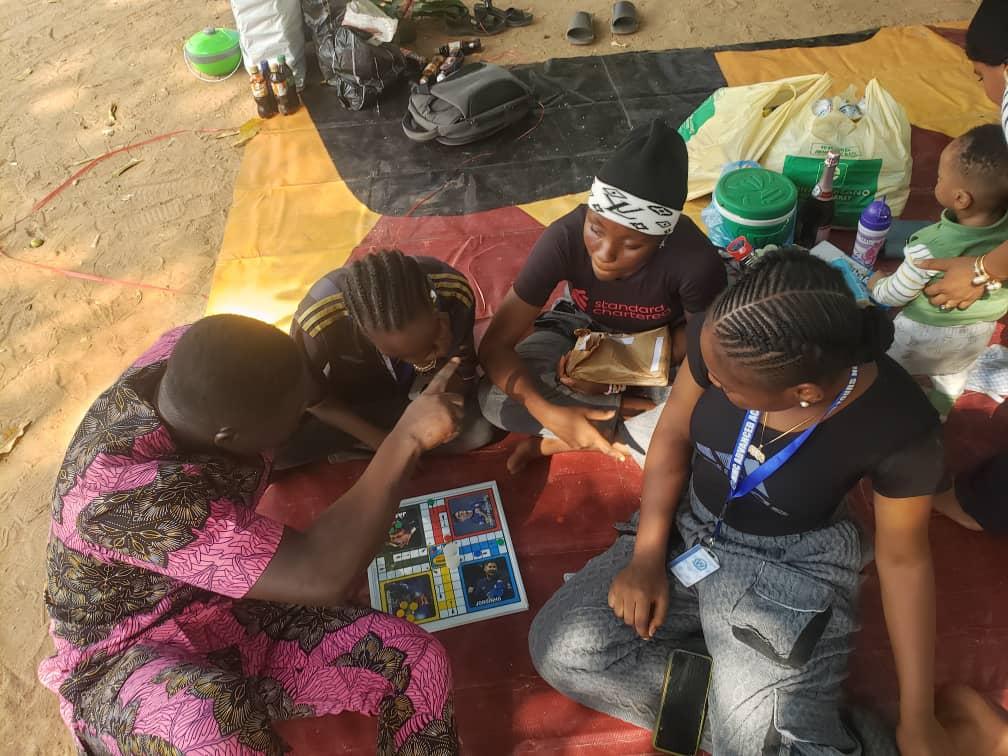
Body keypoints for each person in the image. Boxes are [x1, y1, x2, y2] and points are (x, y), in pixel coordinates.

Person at [528, 250, 952, 755]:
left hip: (792, 563)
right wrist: (646, 555)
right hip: (693, 526)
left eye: (729, 388)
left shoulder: (900, 426)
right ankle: (774, 719)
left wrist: (918, 716)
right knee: (562, 651)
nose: (711, 382)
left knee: (747, 743)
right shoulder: (727, 335)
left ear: (803, 392)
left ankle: (765, 716)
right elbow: (671, 435)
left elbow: (905, 560)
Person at [39, 315, 464, 755]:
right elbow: (322, 575)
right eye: (294, 415)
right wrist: (404, 438)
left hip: (235, 610)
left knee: (414, 662)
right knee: (213, 727)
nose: (303, 417)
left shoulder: (197, 356)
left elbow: (300, 382)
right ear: (230, 436)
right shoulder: (130, 497)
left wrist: (383, 436)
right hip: (126, 656)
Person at [478, 119, 727, 473]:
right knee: (494, 398)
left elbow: (701, 346)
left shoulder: (695, 261)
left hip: (659, 343)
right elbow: (494, 346)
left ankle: (561, 440)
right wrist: (547, 411)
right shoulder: (563, 237)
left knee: (717, 408)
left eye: (632, 244)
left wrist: (613, 374)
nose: (606, 253)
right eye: (596, 229)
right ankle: (624, 422)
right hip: (576, 326)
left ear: (662, 239)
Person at [911, 0, 1008, 544]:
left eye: (981, 76)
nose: (985, 91)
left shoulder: (931, 243)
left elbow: (903, 286)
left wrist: (979, 273)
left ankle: (983, 502)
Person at [279, 249, 496, 468]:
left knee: (479, 431)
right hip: (353, 404)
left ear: (436, 313)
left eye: (427, 343)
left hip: (414, 395)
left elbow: (461, 373)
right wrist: (386, 446)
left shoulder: (453, 294)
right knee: (280, 451)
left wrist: (440, 367)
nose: (411, 359)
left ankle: (358, 448)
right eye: (398, 355)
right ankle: (369, 443)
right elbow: (316, 401)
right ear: (362, 329)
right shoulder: (317, 321)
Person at [869, 124, 1008, 415]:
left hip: (921, 330)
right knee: (953, 373)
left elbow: (896, 293)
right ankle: (942, 408)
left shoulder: (931, 244)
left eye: (939, 177)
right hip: (979, 331)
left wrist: (877, 285)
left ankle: (882, 404)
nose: (937, 181)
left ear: (960, 199)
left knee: (889, 365)